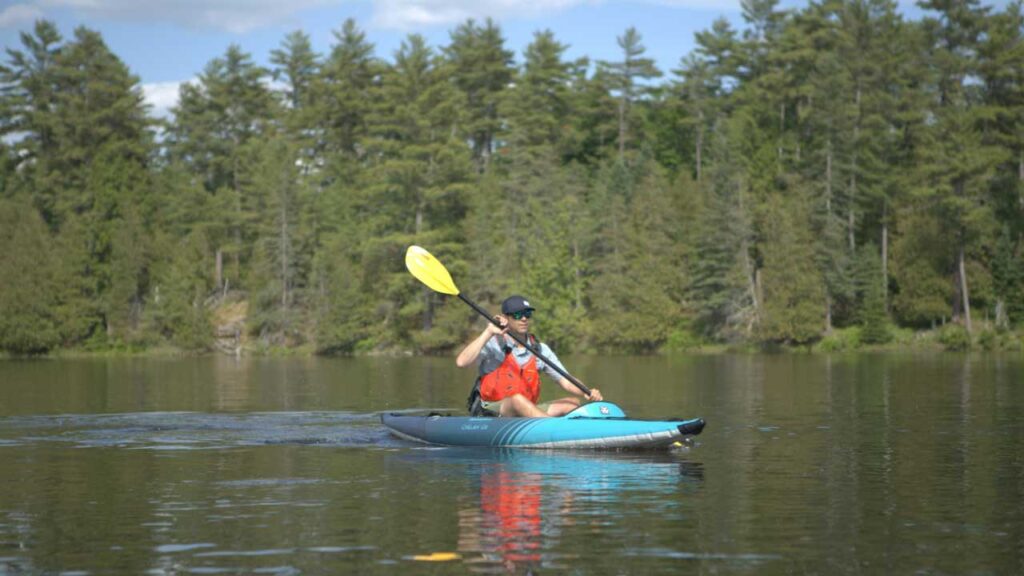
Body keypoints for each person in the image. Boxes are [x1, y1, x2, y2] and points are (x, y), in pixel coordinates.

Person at [455, 295, 602, 417]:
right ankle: (551, 428)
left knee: (573, 403)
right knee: (517, 400)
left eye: (527, 314)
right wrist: (487, 332)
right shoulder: (493, 344)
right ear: (505, 318)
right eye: (518, 315)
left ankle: (567, 429)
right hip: (493, 410)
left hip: (527, 410)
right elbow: (461, 362)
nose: (524, 319)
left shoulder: (540, 349)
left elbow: (566, 381)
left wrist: (586, 392)